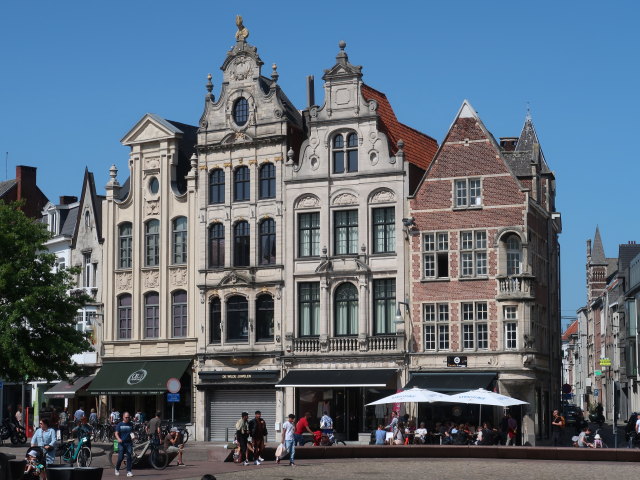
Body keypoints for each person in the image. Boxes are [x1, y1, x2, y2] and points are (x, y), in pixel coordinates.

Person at [114, 411, 134, 477]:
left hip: (129, 443)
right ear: (123, 417)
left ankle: (129, 471)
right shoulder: (119, 424)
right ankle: (117, 469)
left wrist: (133, 436)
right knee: (120, 458)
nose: (127, 418)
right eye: (126, 417)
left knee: (129, 457)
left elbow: (131, 432)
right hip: (121, 443)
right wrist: (118, 439)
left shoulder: (131, 424)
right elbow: (116, 433)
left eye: (128, 417)